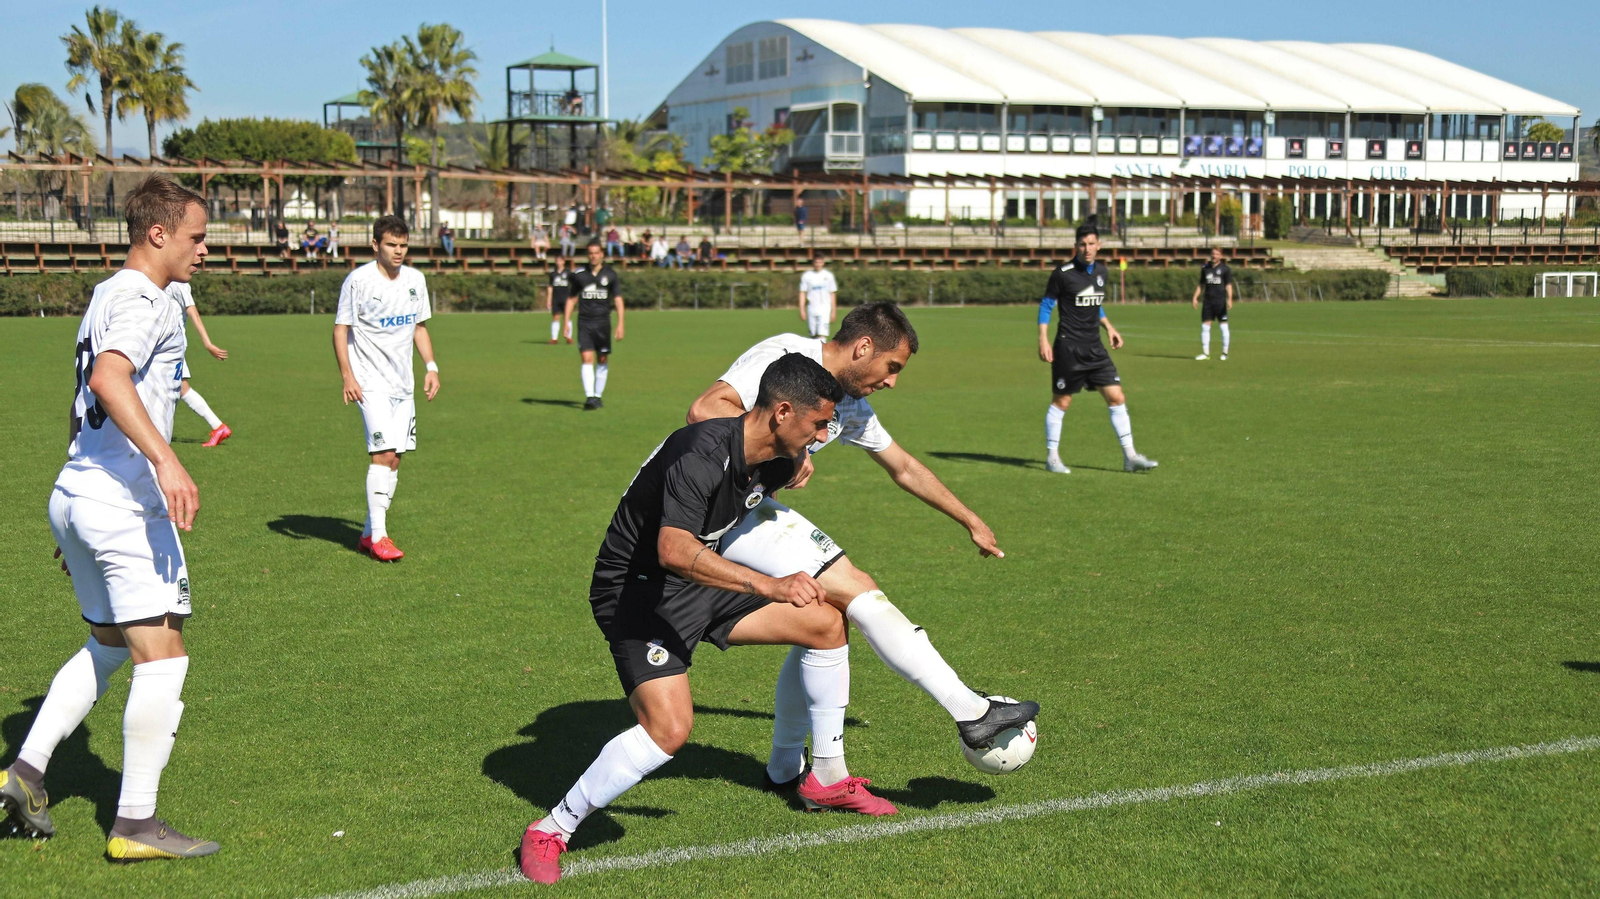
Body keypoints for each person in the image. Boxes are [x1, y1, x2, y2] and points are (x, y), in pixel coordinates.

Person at [519, 354, 870, 884]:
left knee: (824, 623)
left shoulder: (777, 456)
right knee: (670, 730)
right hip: (637, 595)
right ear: (781, 412)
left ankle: (819, 775)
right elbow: (674, 550)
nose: (825, 435)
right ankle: (552, 828)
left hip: (699, 582)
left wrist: (796, 463)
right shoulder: (699, 452)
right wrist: (769, 584)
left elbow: (729, 515)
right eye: (819, 423)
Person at [686, 303, 1037, 799]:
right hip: (700, 511)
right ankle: (972, 713)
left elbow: (904, 467)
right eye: (891, 367)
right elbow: (705, 409)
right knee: (858, 591)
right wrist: (791, 444)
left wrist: (970, 520)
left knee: (823, 622)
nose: (892, 382)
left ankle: (785, 766)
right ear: (863, 347)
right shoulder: (788, 354)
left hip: (743, 509)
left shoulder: (848, 407)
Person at [2, 175, 219, 859]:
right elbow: (107, 379)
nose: (205, 249)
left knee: (111, 642)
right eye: (197, 236)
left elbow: (88, 391)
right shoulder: (146, 299)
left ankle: (25, 772)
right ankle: (135, 823)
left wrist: (79, 513)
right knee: (165, 654)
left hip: (82, 490)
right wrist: (167, 459)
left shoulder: (105, 293)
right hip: (120, 498)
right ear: (158, 232)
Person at [332, 215, 442, 562]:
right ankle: (379, 537)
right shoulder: (358, 281)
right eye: (392, 245)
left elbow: (418, 328)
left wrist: (431, 367)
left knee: (395, 459)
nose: (399, 252)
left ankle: (367, 533)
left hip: (402, 385)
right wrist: (347, 376)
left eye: (403, 245)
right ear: (376, 245)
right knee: (381, 455)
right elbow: (340, 329)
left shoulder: (415, 280)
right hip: (370, 383)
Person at [1037, 217, 1158, 475]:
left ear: (1099, 245)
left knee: (1117, 397)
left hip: (1095, 347)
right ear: (1076, 246)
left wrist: (1109, 327)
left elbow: (1094, 303)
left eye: (1091, 244)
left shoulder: (1102, 272)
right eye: (1082, 244)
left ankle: (1130, 457)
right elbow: (1047, 306)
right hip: (1068, 348)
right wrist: (1043, 339)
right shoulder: (1063, 274)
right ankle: (1052, 457)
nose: (1087, 248)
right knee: (1062, 401)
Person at [167, 281, 233, 447]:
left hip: (171, 347)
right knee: (180, 389)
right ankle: (218, 427)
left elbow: (193, 313)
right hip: (163, 345)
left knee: (172, 388)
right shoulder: (163, 280)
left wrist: (208, 344)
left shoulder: (177, 284)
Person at [565, 240, 625, 410]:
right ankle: (590, 396)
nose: (593, 256)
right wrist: (566, 322)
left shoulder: (611, 275)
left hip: (603, 323)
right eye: (590, 253)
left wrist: (621, 324)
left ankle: (597, 395)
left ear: (602, 255)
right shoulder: (580, 275)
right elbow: (571, 299)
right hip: (585, 322)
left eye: (596, 252)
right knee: (586, 358)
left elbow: (618, 300)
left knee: (602, 358)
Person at [1192, 247, 1233, 361]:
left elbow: (1228, 285)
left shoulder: (1225, 269)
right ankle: (1206, 353)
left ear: (1221, 256)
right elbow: (1201, 285)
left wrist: (1230, 299)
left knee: (1224, 327)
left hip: (1220, 302)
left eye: (1216, 254)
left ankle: (1225, 353)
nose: (1214, 256)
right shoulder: (1205, 268)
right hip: (1208, 302)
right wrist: (1195, 297)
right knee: (1205, 327)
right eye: (1213, 254)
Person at [798, 254, 837, 339]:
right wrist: (802, 310)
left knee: (822, 334)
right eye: (816, 262)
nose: (818, 264)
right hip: (812, 308)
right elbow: (802, 293)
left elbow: (832, 293)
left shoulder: (828, 276)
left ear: (823, 263)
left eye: (820, 262)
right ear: (813, 263)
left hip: (825, 309)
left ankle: (821, 352)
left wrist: (833, 311)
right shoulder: (807, 276)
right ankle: (813, 352)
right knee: (812, 335)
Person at [546, 257, 573, 345]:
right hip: (556, 299)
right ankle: (554, 338)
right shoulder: (553, 274)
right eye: (557, 261)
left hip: (566, 298)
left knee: (567, 317)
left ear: (564, 262)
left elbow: (573, 286)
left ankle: (569, 337)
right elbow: (550, 287)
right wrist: (549, 299)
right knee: (556, 317)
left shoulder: (568, 273)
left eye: (560, 260)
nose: (558, 262)